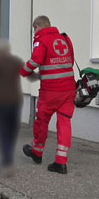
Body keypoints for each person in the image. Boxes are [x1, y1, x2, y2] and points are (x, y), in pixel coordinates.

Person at [20, 16, 76, 174]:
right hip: (69, 89)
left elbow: (35, 60)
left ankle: (37, 151)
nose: (34, 33)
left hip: (50, 91)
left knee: (42, 120)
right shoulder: (65, 38)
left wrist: (23, 71)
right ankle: (61, 162)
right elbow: (70, 61)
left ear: (38, 26)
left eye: (34, 29)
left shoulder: (41, 40)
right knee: (64, 122)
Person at [0, 37, 25, 176]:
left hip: (0, 101)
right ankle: (8, 159)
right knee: (12, 131)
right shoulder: (16, 61)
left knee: (3, 132)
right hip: (15, 100)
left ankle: (7, 162)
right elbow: (28, 72)